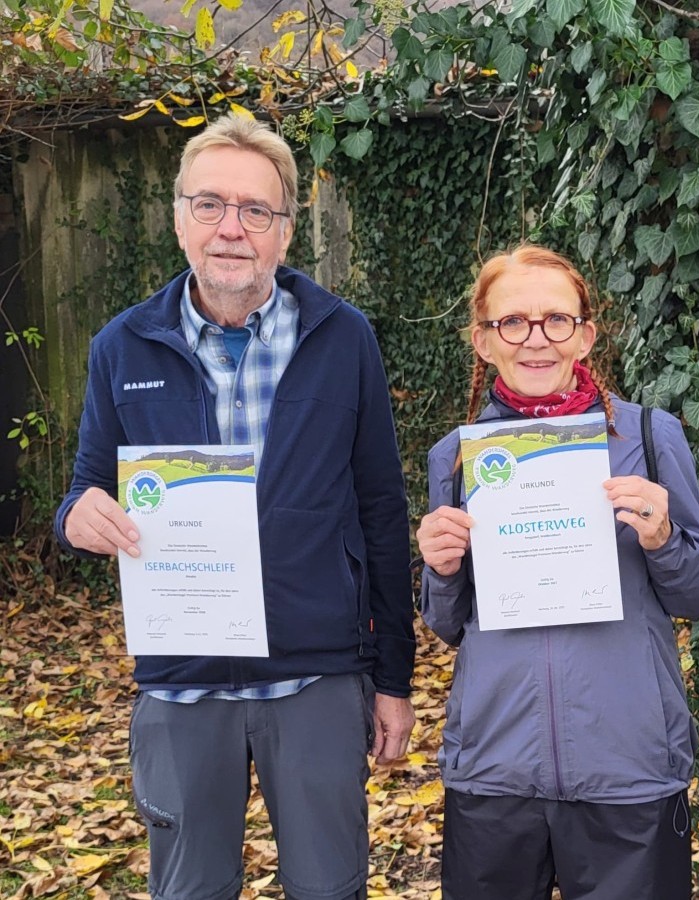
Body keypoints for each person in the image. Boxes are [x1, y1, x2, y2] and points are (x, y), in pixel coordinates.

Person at [55, 115, 415, 900]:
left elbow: (383, 511)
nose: (232, 229)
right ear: (179, 217)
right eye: (211, 204)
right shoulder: (122, 346)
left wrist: (394, 680)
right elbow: (85, 489)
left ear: (286, 231)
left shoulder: (343, 336)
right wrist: (76, 518)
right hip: (182, 681)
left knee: (330, 889)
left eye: (257, 211)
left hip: (315, 676)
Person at [417, 245, 699, 900]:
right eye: (514, 322)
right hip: (494, 772)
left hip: (629, 769)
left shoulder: (649, 434)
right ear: (483, 340)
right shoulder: (456, 457)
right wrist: (440, 568)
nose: (537, 340)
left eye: (556, 320)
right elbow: (447, 624)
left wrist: (663, 538)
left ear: (585, 335)